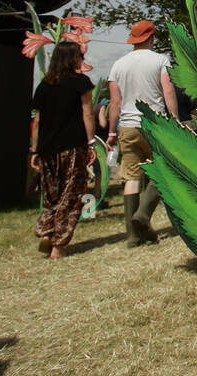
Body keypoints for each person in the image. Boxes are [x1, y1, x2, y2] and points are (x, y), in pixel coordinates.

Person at [106, 20, 181, 247]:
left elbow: (115, 103)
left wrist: (111, 131)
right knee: (162, 167)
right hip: (153, 123)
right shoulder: (160, 60)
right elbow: (168, 91)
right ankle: (143, 214)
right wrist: (174, 120)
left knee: (131, 176)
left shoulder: (117, 66)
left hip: (127, 126)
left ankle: (132, 235)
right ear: (152, 38)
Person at [29, 41, 95, 258]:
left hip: (47, 147)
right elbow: (87, 113)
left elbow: (37, 120)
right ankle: (58, 244)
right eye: (79, 56)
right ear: (71, 58)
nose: (81, 60)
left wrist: (34, 150)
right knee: (71, 193)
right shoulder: (80, 83)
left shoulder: (44, 86)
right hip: (73, 145)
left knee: (50, 194)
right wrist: (91, 142)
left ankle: (46, 232)